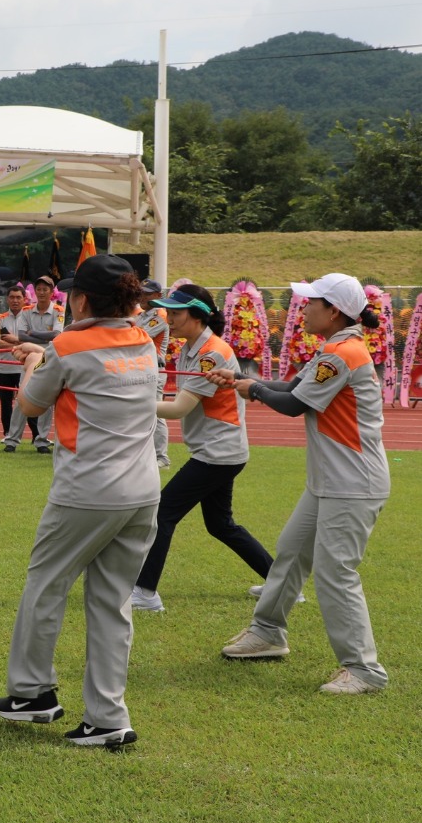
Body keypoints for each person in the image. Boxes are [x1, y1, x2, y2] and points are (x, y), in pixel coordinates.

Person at [0, 254, 158, 747]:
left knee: (46, 584)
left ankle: (31, 693)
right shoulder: (144, 338)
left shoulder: (66, 345)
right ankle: (107, 718)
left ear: (83, 299)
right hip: (142, 491)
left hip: (88, 489)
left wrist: (29, 360)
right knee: (112, 602)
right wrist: (41, 353)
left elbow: (28, 405)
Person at [213, 273, 390, 695]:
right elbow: (293, 387)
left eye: (311, 302)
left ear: (334, 311)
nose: (302, 309)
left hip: (352, 483)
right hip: (333, 481)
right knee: (291, 553)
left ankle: (364, 670)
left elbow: (292, 404)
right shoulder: (334, 348)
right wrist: (244, 383)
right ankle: (267, 632)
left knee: (335, 572)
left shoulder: (341, 353)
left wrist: (253, 388)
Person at [129, 285, 274, 613]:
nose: (170, 319)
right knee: (221, 525)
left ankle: (146, 593)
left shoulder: (212, 352)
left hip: (218, 453)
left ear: (197, 316)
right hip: (218, 451)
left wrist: (130, 405)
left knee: (163, 512)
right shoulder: (191, 348)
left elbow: (180, 408)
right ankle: (282, 584)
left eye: (176, 314)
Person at [9, 275, 63, 453]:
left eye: (45, 289)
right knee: (20, 398)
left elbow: (56, 335)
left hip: (48, 359)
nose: (41, 292)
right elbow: (22, 336)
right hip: (29, 359)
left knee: (45, 400)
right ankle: (12, 440)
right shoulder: (26, 311)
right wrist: (39, 334)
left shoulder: (58, 310)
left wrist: (33, 333)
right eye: (38, 289)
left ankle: (41, 440)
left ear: (51, 292)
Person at [134, 279, 171, 467]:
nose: (142, 297)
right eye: (141, 293)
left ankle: (162, 457)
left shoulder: (161, 315)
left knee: (156, 411)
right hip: (142, 368)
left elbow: (137, 336)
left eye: (148, 294)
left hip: (155, 369)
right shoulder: (143, 315)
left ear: (158, 295)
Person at [0, 285, 30, 446]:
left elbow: (33, 340)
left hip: (26, 366)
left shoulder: (30, 316)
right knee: (5, 403)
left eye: (18, 297)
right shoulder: (0, 318)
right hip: (4, 367)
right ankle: (8, 433)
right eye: (12, 297)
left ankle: (36, 435)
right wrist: (20, 342)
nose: (15, 301)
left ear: (24, 299)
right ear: (7, 299)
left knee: (29, 400)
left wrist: (13, 339)